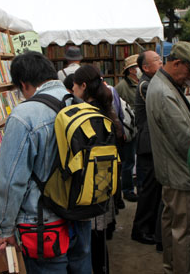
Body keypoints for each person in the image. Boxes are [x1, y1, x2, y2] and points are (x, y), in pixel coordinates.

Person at [0, 51, 92, 273]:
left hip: (44, 226)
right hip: (81, 215)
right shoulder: (79, 104)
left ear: (23, 84)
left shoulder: (24, 116)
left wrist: (3, 229)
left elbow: (10, 181)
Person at [145, 41, 190, 273]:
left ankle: (172, 267)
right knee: (183, 230)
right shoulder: (165, 92)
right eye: (189, 71)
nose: (189, 78)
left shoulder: (161, 85)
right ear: (177, 63)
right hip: (180, 174)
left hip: (172, 172)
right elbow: (186, 141)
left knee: (172, 225)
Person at [73, 64, 122, 274]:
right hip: (104, 184)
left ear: (83, 86)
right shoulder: (105, 110)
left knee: (93, 246)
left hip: (90, 189)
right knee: (99, 243)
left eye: (74, 87)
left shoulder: (85, 116)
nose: (73, 91)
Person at [131, 50, 163, 246]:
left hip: (150, 143)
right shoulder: (145, 85)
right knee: (149, 189)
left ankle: (147, 228)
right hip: (147, 144)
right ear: (145, 67)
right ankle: (141, 230)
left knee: (153, 188)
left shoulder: (150, 83)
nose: (161, 63)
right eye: (157, 61)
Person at [115, 54, 139, 202]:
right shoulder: (121, 87)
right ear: (130, 70)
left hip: (138, 128)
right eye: (137, 67)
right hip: (129, 129)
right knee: (128, 161)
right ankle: (127, 190)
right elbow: (116, 109)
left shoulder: (140, 83)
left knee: (134, 160)